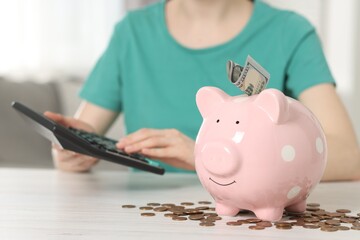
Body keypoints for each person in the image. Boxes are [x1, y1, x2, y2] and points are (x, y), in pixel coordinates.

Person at [45, 0, 360, 181]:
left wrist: (204, 156)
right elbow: (84, 131)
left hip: (252, 221)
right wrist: (73, 150)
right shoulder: (132, 32)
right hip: (143, 220)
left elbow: (349, 158)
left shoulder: (290, 32)